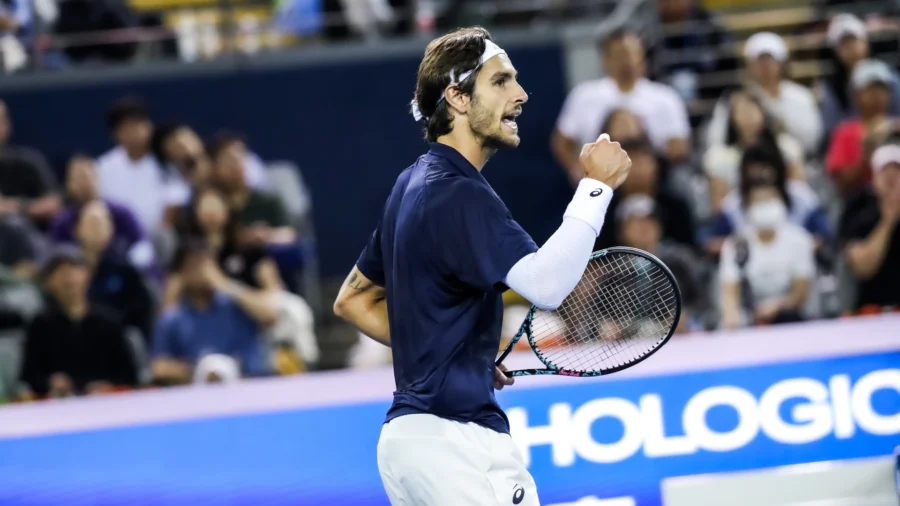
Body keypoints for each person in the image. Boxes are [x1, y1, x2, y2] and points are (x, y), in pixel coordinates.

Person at [333, 27, 631, 506]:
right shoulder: (457, 192)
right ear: (457, 97)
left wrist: (448, 352)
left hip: (411, 445)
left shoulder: (410, 184)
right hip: (455, 443)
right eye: (501, 81)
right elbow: (547, 285)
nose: (521, 94)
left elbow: (353, 300)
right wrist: (596, 188)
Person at [552, 28, 689, 184]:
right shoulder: (585, 96)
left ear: (642, 57)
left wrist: (644, 149)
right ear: (606, 59)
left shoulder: (665, 97)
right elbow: (561, 142)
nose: (627, 61)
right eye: (620, 54)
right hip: (601, 180)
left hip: (654, 181)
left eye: (632, 53)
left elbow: (680, 147)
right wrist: (577, 171)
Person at [151, 239, 278, 386]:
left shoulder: (237, 304)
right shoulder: (172, 318)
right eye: (194, 266)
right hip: (195, 393)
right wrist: (199, 372)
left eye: (207, 264)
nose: (203, 272)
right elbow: (158, 368)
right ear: (182, 274)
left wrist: (224, 283)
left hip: (249, 385)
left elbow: (271, 315)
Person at [19, 247, 138, 398]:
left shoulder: (109, 322)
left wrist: (107, 385)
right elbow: (29, 375)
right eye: (60, 274)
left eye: (74, 271)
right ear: (49, 282)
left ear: (87, 277)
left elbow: (129, 375)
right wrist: (50, 382)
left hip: (106, 402)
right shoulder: (40, 325)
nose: (69, 279)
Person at [719, 178, 815, 328]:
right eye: (759, 202)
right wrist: (731, 316)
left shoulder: (799, 239)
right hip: (750, 319)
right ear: (748, 207)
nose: (765, 206)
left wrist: (776, 306)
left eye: (770, 200)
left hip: (789, 317)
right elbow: (730, 291)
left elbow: (800, 293)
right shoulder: (736, 244)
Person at [705, 32, 822, 156]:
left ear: (782, 64)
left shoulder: (801, 96)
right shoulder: (734, 98)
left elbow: (812, 141)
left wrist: (781, 125)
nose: (765, 66)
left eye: (769, 60)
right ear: (749, 65)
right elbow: (715, 140)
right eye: (759, 61)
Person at [703, 144, 831, 257]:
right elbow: (712, 243)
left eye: (765, 169)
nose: (760, 175)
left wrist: (795, 248)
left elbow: (824, 236)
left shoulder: (801, 197)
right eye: (754, 170)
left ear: (777, 170)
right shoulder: (732, 204)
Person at [50, 154, 155, 271]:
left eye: (88, 176)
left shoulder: (122, 214)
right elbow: (54, 260)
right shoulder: (63, 222)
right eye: (78, 178)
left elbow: (143, 248)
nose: (85, 184)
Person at [703, 91, 805, 212]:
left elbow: (798, 191)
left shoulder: (787, 149)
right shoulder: (718, 158)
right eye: (743, 112)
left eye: (752, 110)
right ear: (732, 118)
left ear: (763, 113)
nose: (748, 117)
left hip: (784, 214)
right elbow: (718, 206)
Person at [95, 97, 181, 235]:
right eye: (126, 127)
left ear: (149, 126)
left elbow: (176, 200)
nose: (133, 132)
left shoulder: (167, 161)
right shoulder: (103, 167)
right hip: (120, 242)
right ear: (115, 133)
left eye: (137, 125)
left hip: (162, 239)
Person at [75, 201, 156, 342]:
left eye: (99, 225)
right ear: (78, 230)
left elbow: (139, 314)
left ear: (110, 230)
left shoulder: (126, 271)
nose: (94, 231)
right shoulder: (69, 270)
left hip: (115, 340)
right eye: (90, 224)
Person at [839, 142, 900, 312]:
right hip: (871, 309)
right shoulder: (858, 208)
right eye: (886, 173)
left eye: (897, 172)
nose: (892, 179)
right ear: (874, 177)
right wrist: (888, 222)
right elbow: (863, 267)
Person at [818, 14, 900, 137]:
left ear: (865, 42)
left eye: (854, 41)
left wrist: (890, 125)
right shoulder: (833, 89)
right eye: (844, 44)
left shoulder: (890, 78)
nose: (851, 48)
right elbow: (831, 131)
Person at [207, 133, 295, 247]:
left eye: (241, 157)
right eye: (229, 160)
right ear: (214, 167)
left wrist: (264, 236)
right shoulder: (210, 203)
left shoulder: (268, 200)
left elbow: (289, 235)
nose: (238, 165)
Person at [826, 59, 898, 195]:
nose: (876, 94)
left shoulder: (897, 127)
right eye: (870, 88)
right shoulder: (844, 132)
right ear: (855, 95)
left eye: (882, 88)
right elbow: (841, 184)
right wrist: (866, 154)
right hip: (862, 204)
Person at [0, 100, 61, 228]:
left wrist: (13, 207)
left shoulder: (28, 162)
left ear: (7, 126)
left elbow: (54, 204)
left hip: (27, 241)